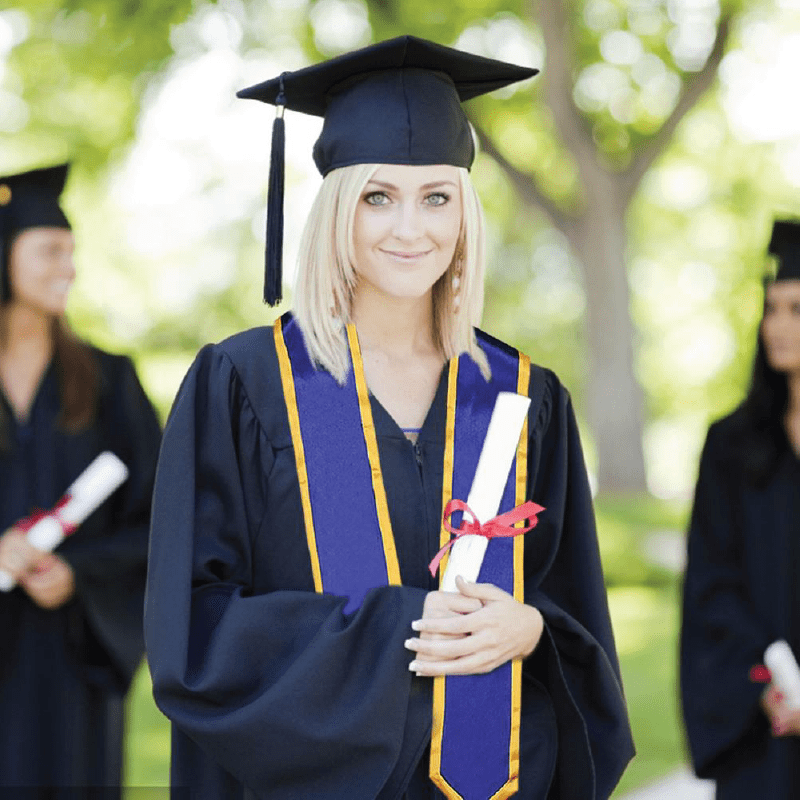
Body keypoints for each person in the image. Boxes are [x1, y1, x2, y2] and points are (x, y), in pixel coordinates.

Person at [145, 36, 634, 799]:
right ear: (339, 207)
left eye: (437, 196)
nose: (412, 228)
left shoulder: (522, 397)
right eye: (379, 196)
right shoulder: (245, 386)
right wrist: (394, 627)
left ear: (465, 211)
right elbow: (193, 628)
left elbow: (574, 613)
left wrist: (530, 631)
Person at [0, 163, 161, 790]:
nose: (68, 266)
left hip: (74, 656)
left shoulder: (108, 381)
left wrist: (79, 571)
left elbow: (162, 517)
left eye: (71, 251)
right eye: (50, 250)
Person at [681, 219, 800, 798]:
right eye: (771, 308)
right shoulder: (732, 447)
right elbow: (711, 582)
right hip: (764, 720)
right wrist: (769, 681)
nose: (776, 326)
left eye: (796, 309)